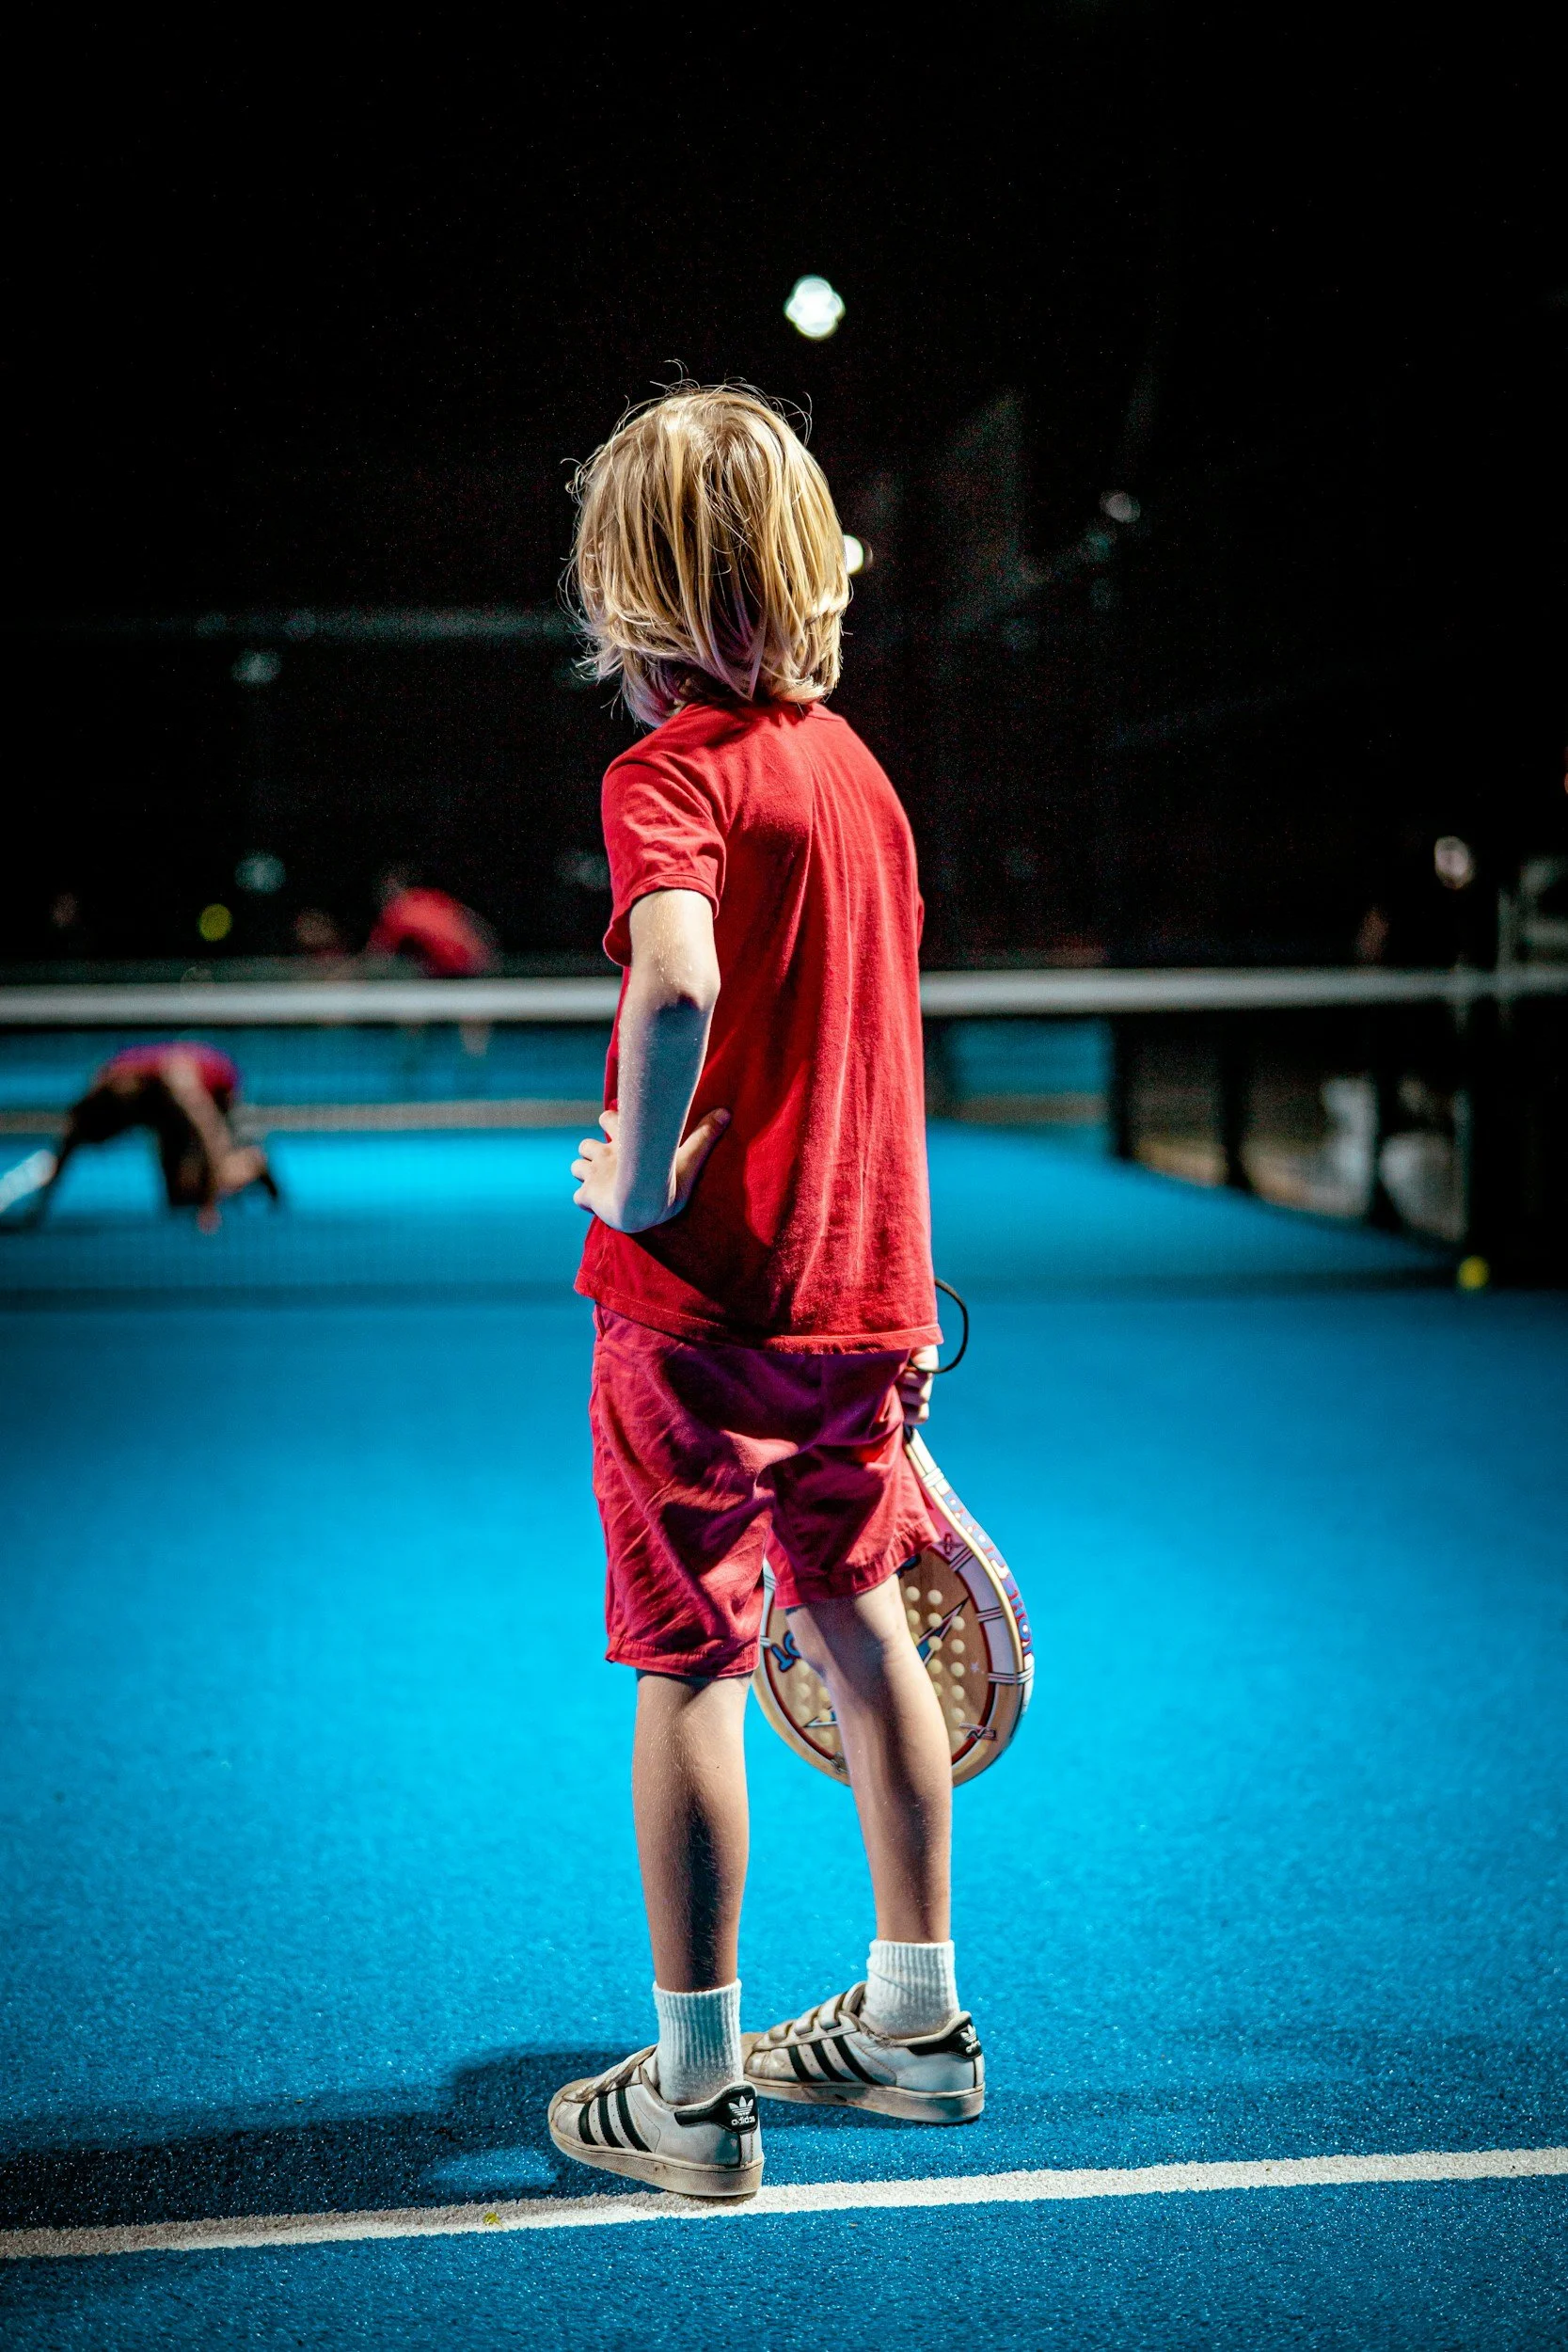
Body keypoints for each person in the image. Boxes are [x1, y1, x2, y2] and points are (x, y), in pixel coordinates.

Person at [549, 386, 982, 2203]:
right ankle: (913, 2022)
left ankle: (699, 2091)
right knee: (860, 1619)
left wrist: (640, 1182)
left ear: (624, 593)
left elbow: (676, 981)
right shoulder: (859, 775)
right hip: (866, 1306)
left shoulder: (670, 776)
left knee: (692, 1670)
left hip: (704, 1314)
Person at [3, 1042, 277, 1231]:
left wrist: (208, 1205)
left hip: (182, 1092)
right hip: (152, 1094)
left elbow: (210, 1136)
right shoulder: (119, 1084)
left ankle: (255, 1167)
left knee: (197, 1179)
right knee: (183, 1192)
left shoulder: (185, 1084)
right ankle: (251, 1167)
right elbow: (69, 1140)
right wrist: (38, 1211)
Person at [365, 877, 498, 977]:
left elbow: (378, 956)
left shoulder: (398, 912)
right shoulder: (430, 897)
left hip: (455, 971)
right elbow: (473, 921)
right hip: (476, 963)